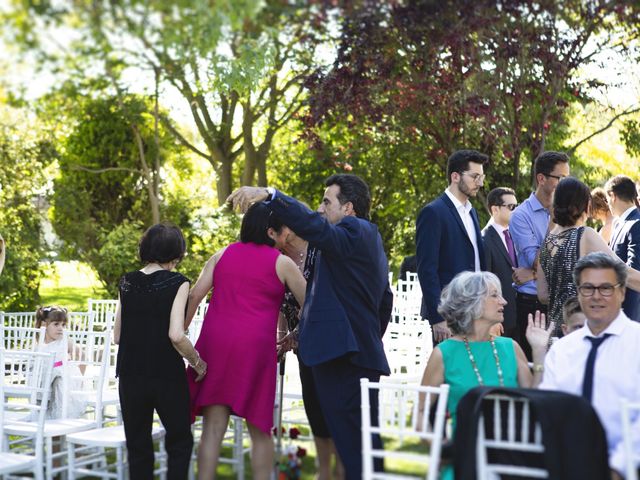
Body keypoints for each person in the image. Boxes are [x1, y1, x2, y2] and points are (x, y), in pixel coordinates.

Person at [227, 174, 393, 479]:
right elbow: (384, 300)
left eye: (327, 201)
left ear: (349, 209)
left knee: (353, 445)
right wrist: (360, 335)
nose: (320, 208)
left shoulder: (353, 229)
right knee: (363, 443)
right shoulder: (365, 239)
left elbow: (314, 227)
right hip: (356, 353)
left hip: (344, 358)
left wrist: (270, 194)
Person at [185, 202, 306, 480]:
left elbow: (194, 295)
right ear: (270, 231)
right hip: (255, 348)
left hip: (216, 344)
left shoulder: (222, 254)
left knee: (213, 427)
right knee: (260, 427)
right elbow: (310, 302)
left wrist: (180, 332)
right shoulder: (282, 262)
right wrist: (295, 334)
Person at [419, 271, 553, 480]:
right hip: (465, 460)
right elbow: (420, 412)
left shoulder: (510, 347)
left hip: (514, 459)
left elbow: (533, 400)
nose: (504, 301)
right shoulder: (444, 354)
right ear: (472, 302)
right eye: (494, 295)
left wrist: (538, 352)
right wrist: (441, 447)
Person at [114, 222, 207, 480]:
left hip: (131, 374)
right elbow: (176, 334)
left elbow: (117, 335)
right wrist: (197, 361)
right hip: (166, 374)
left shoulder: (126, 281)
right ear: (175, 254)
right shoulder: (178, 282)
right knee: (179, 442)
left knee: (138, 446)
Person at [540, 252, 640, 479]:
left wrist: (617, 467)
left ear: (622, 292)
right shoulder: (562, 350)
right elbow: (548, 410)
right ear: (578, 293)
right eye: (588, 288)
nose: (596, 296)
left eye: (605, 288)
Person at [277, 229, 345, 480]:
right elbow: (281, 305)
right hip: (301, 346)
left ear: (288, 230)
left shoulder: (319, 251)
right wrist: (281, 336)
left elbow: (322, 300)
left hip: (328, 340)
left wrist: (296, 332)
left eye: (274, 231)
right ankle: (324, 470)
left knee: (332, 407)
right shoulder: (278, 257)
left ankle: (341, 468)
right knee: (314, 408)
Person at [537, 177, 640, 336]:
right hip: (581, 330)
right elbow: (625, 273)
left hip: (553, 333)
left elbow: (542, 295)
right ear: (585, 205)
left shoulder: (546, 243)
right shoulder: (584, 235)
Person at [416, 149, 488, 344]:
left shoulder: (472, 212)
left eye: (481, 177)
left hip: (477, 311)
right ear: (455, 176)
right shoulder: (433, 212)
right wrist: (438, 317)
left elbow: (478, 264)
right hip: (449, 315)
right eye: (475, 176)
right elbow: (426, 269)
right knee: (451, 373)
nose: (480, 183)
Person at [510, 151, 570, 358]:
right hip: (532, 304)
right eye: (560, 178)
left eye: (567, 179)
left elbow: (572, 260)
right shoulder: (520, 216)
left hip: (564, 301)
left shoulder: (570, 211)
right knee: (535, 365)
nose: (565, 184)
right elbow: (538, 262)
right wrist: (554, 217)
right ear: (541, 179)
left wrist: (532, 273)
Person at [35, 306, 87, 419]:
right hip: (44, 379)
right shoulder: (39, 344)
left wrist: (80, 377)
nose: (60, 328)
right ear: (44, 325)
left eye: (63, 325)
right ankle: (43, 416)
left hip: (64, 375)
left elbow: (81, 355)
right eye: (56, 324)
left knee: (59, 379)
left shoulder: (64, 342)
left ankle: (60, 417)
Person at [482, 187, 519, 338]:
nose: (515, 211)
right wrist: (491, 320)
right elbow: (485, 283)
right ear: (495, 209)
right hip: (500, 321)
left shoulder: (517, 235)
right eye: (511, 207)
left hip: (521, 314)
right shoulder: (484, 240)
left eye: (517, 206)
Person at [605, 175, 640, 321]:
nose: (608, 205)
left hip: (629, 310)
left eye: (607, 200)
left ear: (613, 196)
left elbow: (635, 270)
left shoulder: (636, 224)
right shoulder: (619, 223)